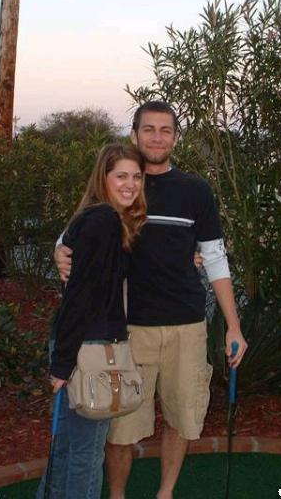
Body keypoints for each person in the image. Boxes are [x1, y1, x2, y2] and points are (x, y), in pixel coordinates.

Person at [55, 101, 248, 499]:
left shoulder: (196, 191)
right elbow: (80, 230)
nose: (157, 137)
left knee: (181, 418)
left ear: (175, 137)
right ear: (134, 134)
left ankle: (165, 493)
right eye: (148, 129)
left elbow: (214, 257)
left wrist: (234, 326)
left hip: (186, 327)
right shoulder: (122, 183)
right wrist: (58, 249)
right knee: (121, 428)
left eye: (165, 130)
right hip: (129, 330)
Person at [37, 143, 146, 499]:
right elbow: (80, 297)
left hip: (79, 344)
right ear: (104, 177)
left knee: (68, 447)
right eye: (121, 176)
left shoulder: (101, 218)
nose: (130, 184)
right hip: (89, 349)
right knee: (86, 453)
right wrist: (63, 363)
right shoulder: (103, 221)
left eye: (136, 177)